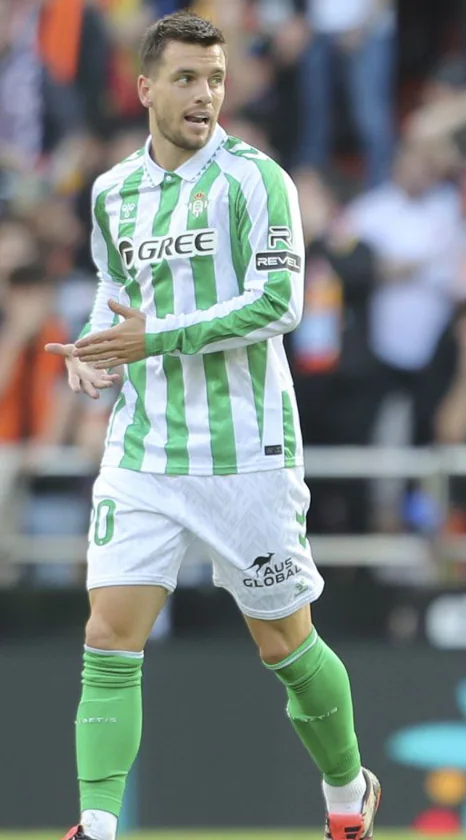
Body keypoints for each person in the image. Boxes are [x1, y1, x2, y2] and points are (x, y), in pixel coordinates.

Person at [45, 12, 381, 840]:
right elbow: (111, 291)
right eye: (188, 78)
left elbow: (280, 304)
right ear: (145, 87)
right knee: (108, 632)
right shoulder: (111, 191)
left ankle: (348, 796)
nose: (205, 95)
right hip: (144, 447)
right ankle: (97, 823)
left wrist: (151, 338)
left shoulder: (257, 181)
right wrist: (94, 351)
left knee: (286, 648)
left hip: (246, 453)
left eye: (217, 79)